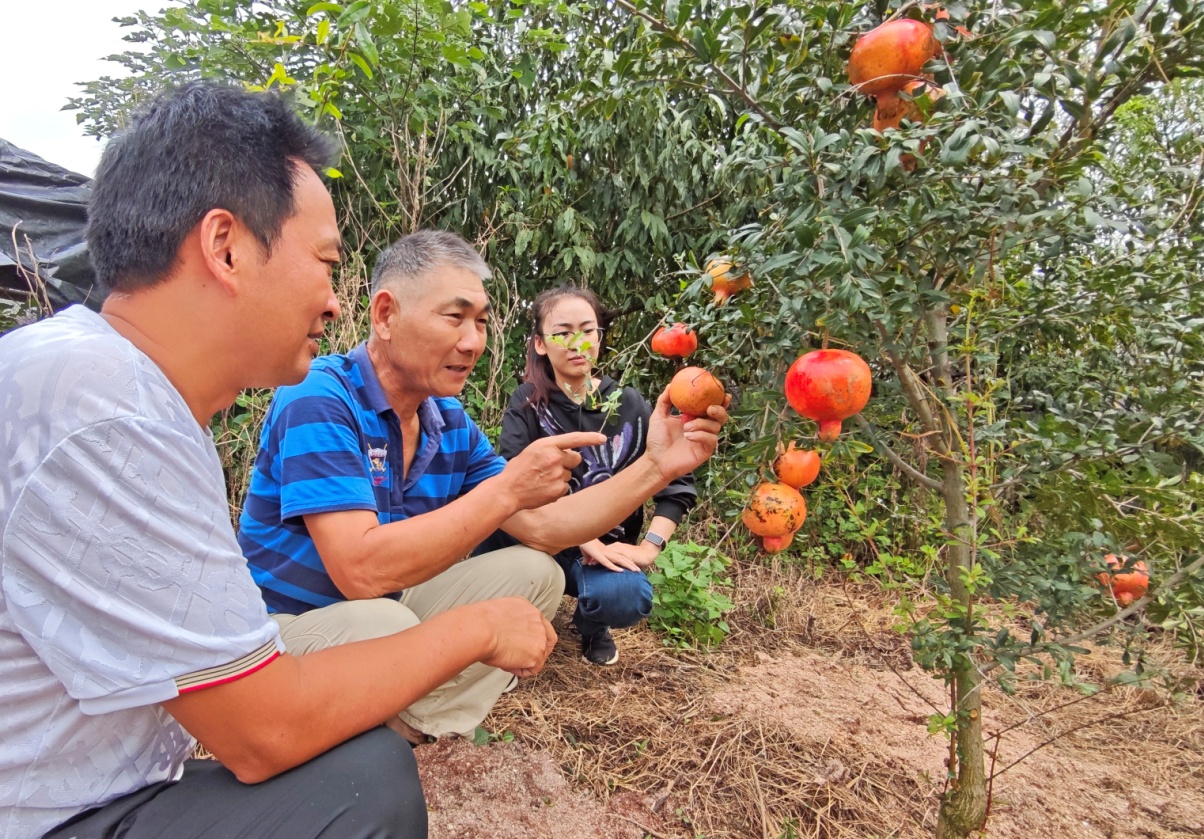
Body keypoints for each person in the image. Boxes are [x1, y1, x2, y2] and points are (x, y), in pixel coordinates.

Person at [0, 84, 553, 839]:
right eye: (326, 263)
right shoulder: (110, 414)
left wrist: (654, 464)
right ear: (225, 246)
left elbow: (544, 527)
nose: (334, 302)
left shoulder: (119, 388)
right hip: (46, 811)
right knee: (366, 787)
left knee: (364, 763)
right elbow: (264, 729)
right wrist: (478, 628)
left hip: (91, 778)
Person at [237, 230, 727, 744]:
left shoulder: (446, 419)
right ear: (385, 315)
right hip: (287, 632)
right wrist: (507, 490)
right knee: (385, 623)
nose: (472, 342)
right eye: (454, 317)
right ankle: (357, 725)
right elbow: (360, 570)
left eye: (482, 322)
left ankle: (407, 728)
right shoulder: (319, 395)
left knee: (534, 572)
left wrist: (656, 468)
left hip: (385, 614)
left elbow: (543, 528)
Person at [489, 286, 695, 665]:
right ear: (539, 344)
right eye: (563, 332)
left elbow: (676, 483)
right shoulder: (527, 403)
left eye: (588, 330)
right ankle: (518, 616)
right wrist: (582, 536)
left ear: (600, 339)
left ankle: (591, 622)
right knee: (490, 529)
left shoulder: (630, 405)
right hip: (543, 543)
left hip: (604, 556)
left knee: (625, 596)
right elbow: (510, 480)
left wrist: (649, 547)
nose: (577, 342)